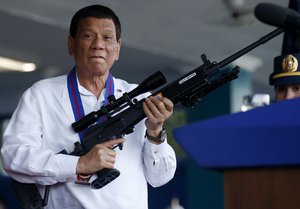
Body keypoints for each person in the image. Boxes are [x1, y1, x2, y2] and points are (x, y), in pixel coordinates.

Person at [1, 5, 176, 209]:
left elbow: (160, 178)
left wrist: (155, 132)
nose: (98, 45)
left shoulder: (139, 97)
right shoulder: (41, 95)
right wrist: (78, 164)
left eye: (107, 37)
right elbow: (14, 157)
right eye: (89, 36)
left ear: (117, 48)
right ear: (71, 45)